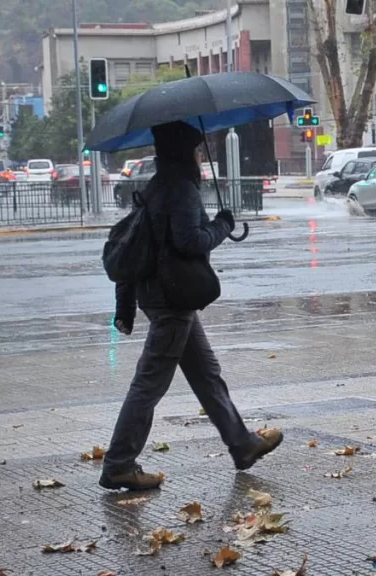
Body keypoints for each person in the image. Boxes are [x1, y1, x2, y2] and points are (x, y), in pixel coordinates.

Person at [100, 121, 282, 491]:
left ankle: (242, 444)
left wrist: (126, 307)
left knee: (205, 373)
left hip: (161, 295)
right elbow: (189, 241)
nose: (199, 156)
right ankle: (119, 463)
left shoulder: (157, 186)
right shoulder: (180, 189)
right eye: (196, 150)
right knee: (149, 384)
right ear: (186, 152)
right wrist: (222, 225)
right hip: (172, 300)